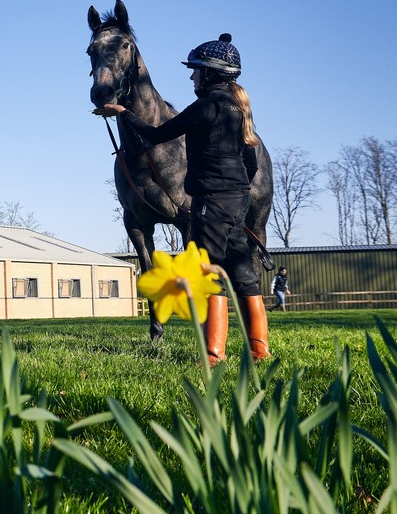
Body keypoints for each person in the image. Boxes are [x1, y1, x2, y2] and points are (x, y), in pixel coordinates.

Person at [96, 34, 270, 364]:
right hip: (237, 203)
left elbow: (157, 133)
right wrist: (237, 194)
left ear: (211, 74)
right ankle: (259, 350)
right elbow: (250, 162)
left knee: (210, 272)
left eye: (196, 71)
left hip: (210, 203)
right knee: (244, 275)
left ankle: (213, 355)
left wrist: (123, 112)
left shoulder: (204, 107)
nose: (192, 76)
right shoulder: (238, 109)